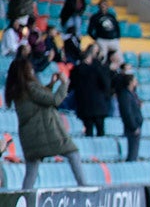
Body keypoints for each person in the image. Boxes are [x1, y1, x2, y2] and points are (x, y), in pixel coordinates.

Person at [5, 57, 86, 189]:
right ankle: (83, 187)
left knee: (31, 170)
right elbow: (54, 100)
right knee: (73, 152)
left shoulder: (19, 90)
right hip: (44, 133)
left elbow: (39, 99)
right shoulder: (30, 87)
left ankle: (25, 196)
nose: (32, 70)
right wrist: (64, 83)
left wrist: (51, 84)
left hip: (29, 137)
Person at [69, 44, 111, 137]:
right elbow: (105, 83)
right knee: (100, 131)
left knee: (89, 131)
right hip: (98, 105)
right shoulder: (97, 69)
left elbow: (72, 86)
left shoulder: (76, 70)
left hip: (84, 106)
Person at [117, 72, 143, 161]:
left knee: (135, 151)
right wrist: (134, 126)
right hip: (132, 127)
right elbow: (127, 112)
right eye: (134, 80)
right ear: (130, 82)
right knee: (132, 151)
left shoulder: (133, 94)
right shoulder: (125, 95)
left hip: (136, 125)